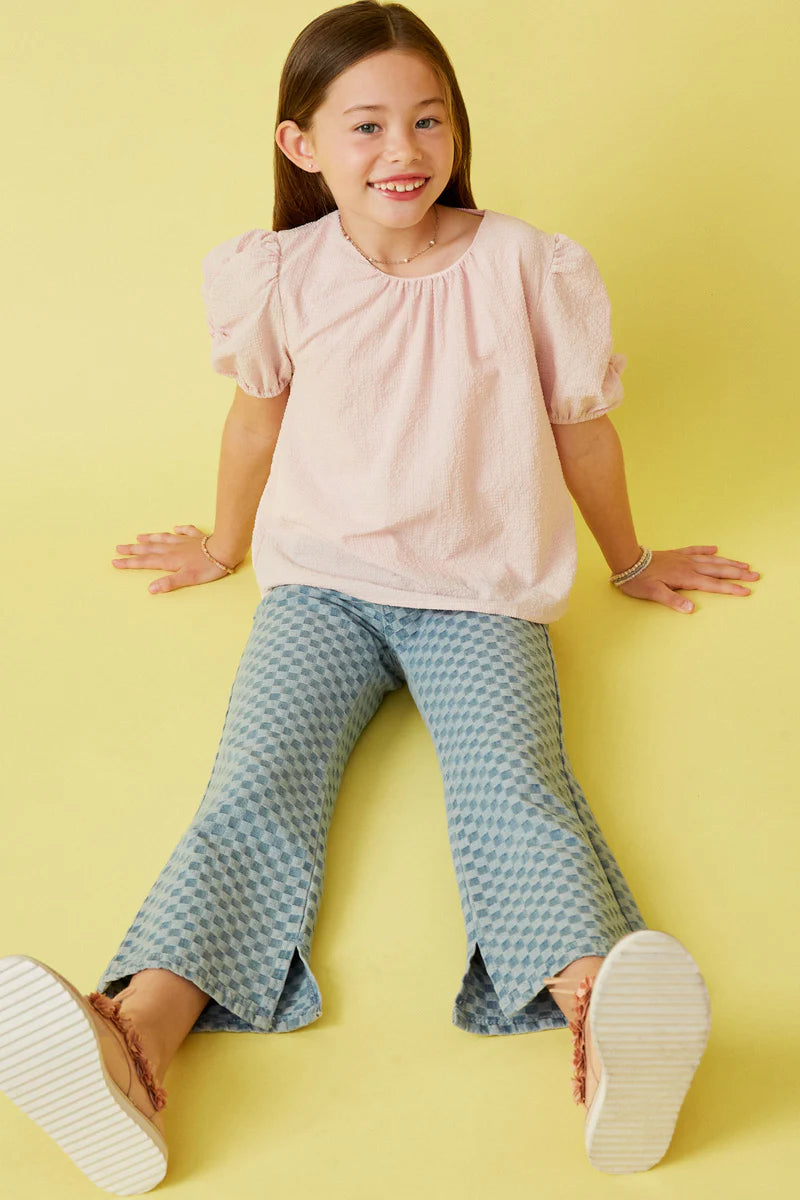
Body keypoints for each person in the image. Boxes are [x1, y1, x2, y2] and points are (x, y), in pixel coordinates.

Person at [0, 1, 759, 1192]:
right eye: (364, 126)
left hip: (480, 597)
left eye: (426, 120)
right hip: (322, 595)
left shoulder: (525, 264)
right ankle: (136, 1038)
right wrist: (223, 543)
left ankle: (599, 1015)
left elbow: (582, 434)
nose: (401, 150)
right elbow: (254, 422)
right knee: (255, 784)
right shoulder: (281, 274)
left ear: (455, 131)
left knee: (512, 784)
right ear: (302, 145)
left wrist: (626, 561)